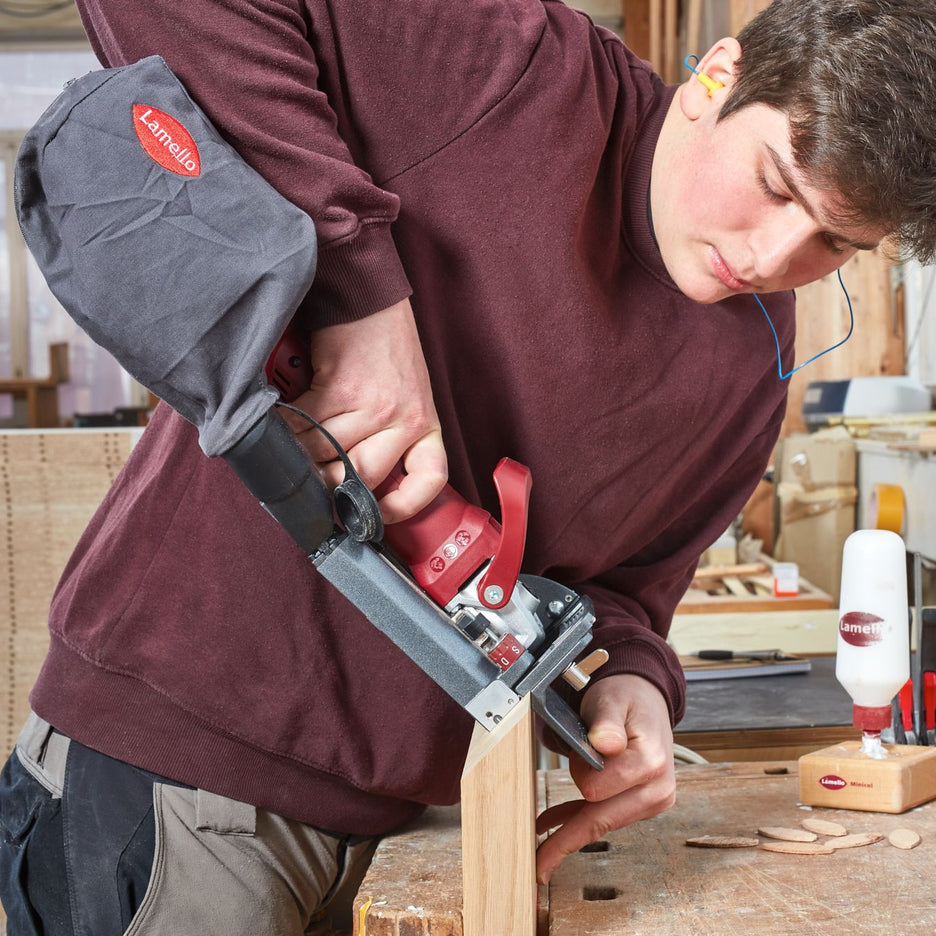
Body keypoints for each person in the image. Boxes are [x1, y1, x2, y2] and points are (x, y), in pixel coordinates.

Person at [2, 0, 935, 932]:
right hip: (179, 779)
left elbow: (628, 588)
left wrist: (633, 682)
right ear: (717, 78)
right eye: (775, 185)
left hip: (418, 835)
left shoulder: (753, 363)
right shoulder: (512, 67)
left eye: (836, 243)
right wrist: (360, 299)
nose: (772, 256)